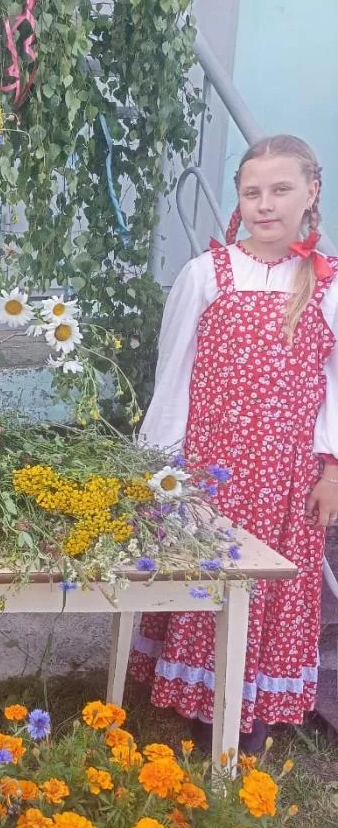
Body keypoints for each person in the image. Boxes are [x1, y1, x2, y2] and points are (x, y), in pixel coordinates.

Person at [130, 134, 338, 752]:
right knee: (209, 575)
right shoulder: (207, 274)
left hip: (288, 480)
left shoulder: (326, 285)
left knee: (273, 586)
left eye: (281, 189)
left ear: (312, 193)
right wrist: (159, 468)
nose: (265, 204)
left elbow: (334, 387)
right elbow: (173, 377)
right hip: (213, 472)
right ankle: (202, 701)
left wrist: (331, 472)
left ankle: (256, 705)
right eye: (252, 192)